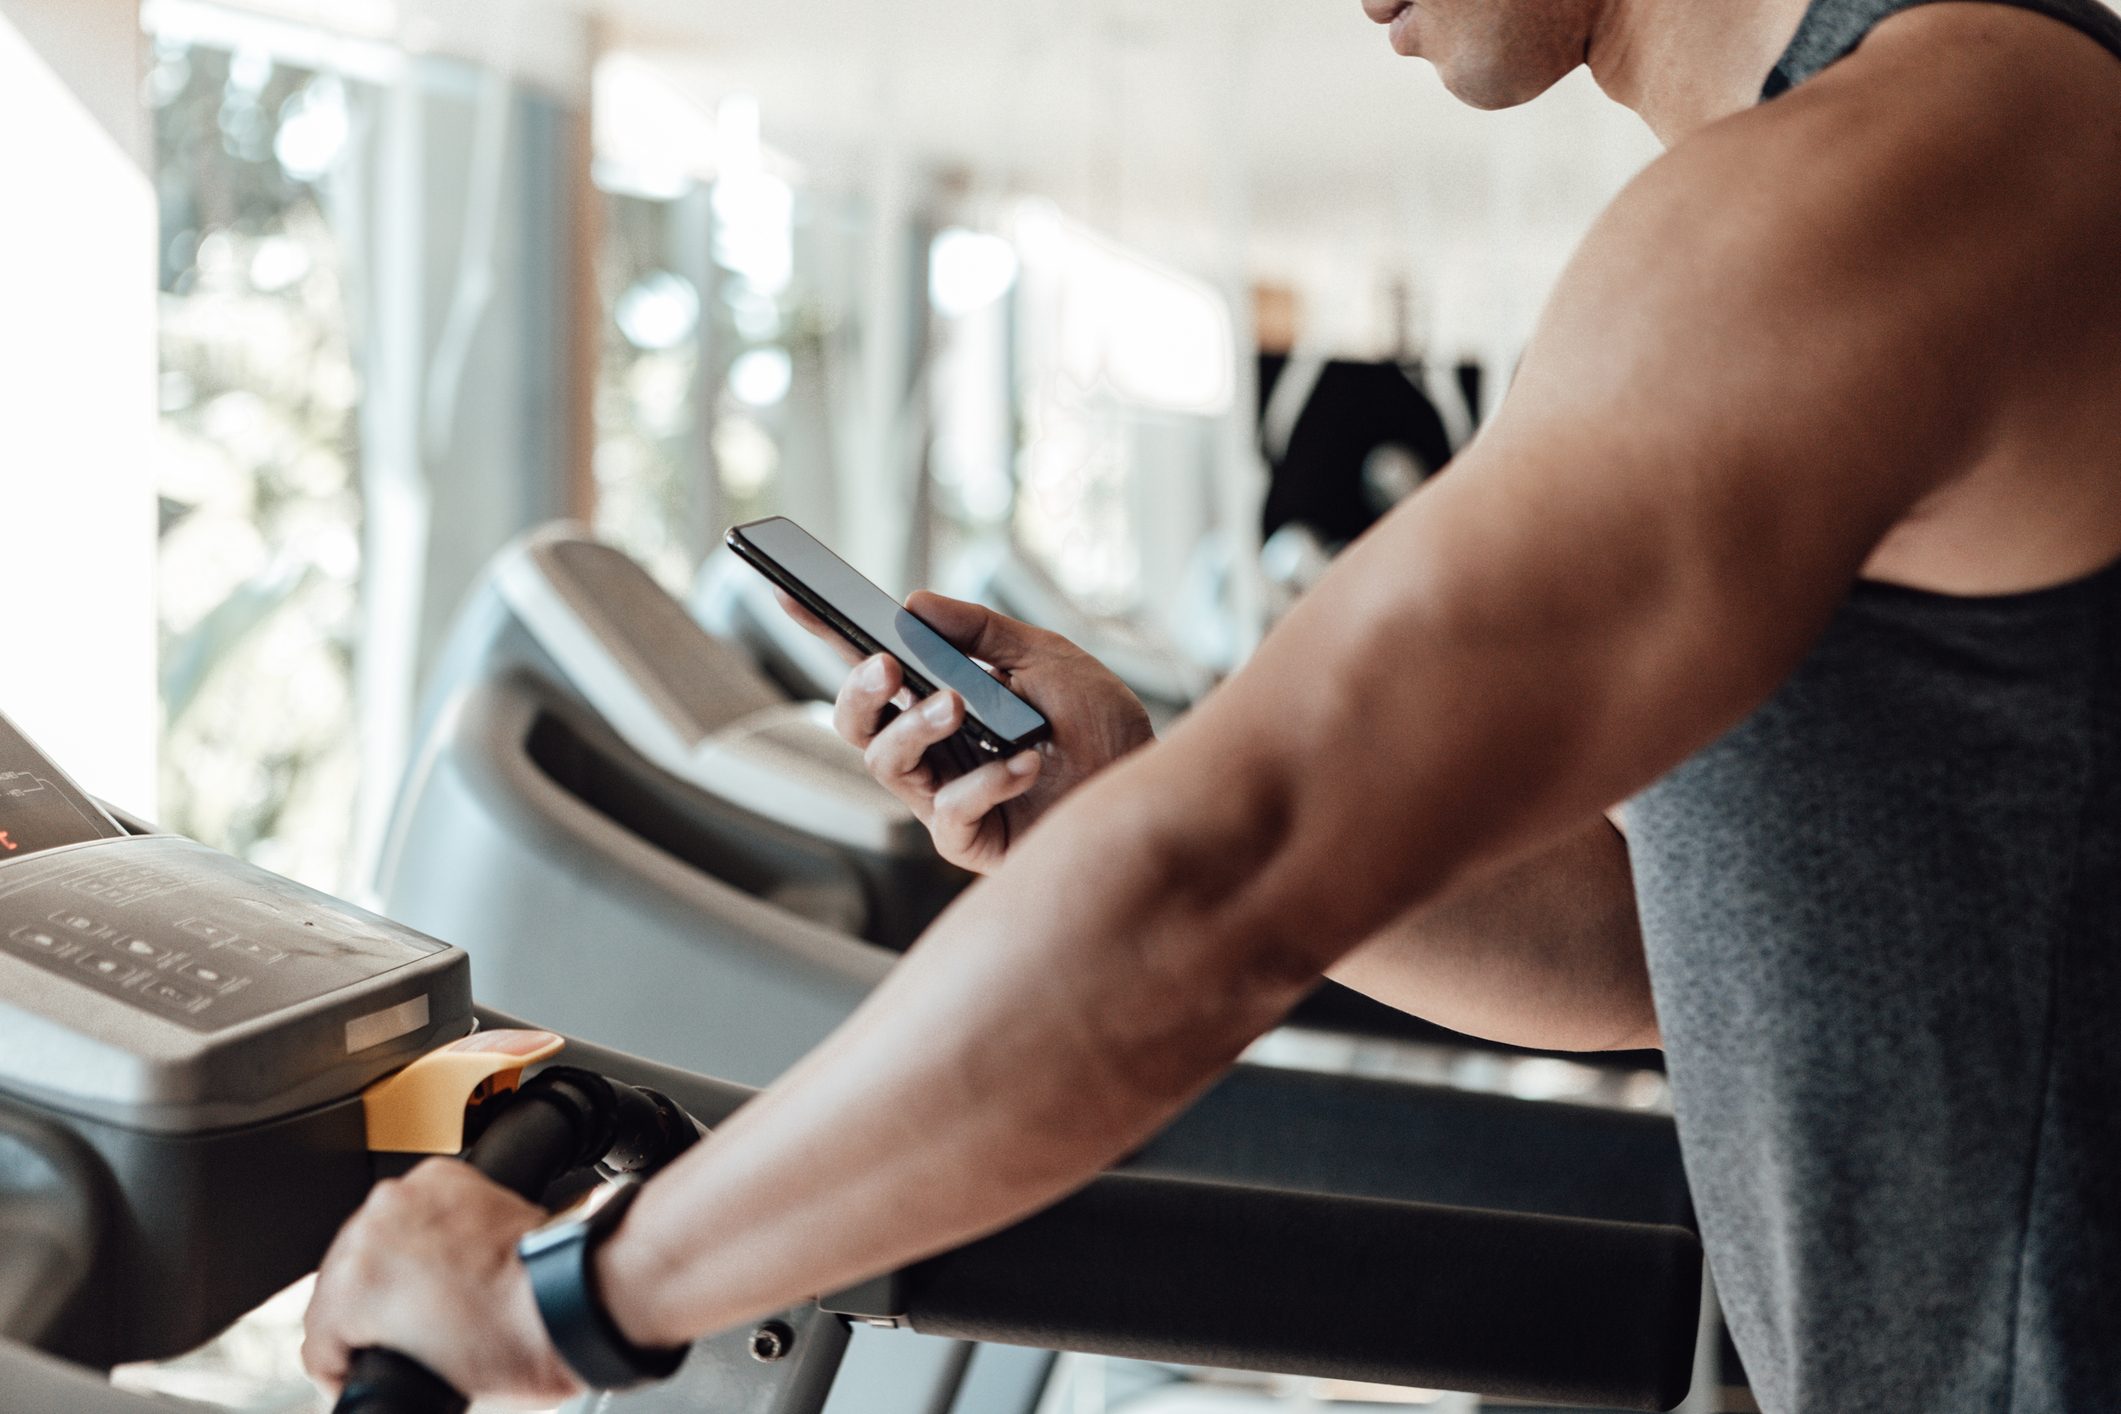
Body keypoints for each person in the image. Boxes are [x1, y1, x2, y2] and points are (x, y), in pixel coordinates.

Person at [303, 0, 2121, 1407]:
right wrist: (1129, 789)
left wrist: (581, 1289)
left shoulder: (1872, 182)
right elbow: (1680, 947)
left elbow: (1216, 885)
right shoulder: (1915, 134)